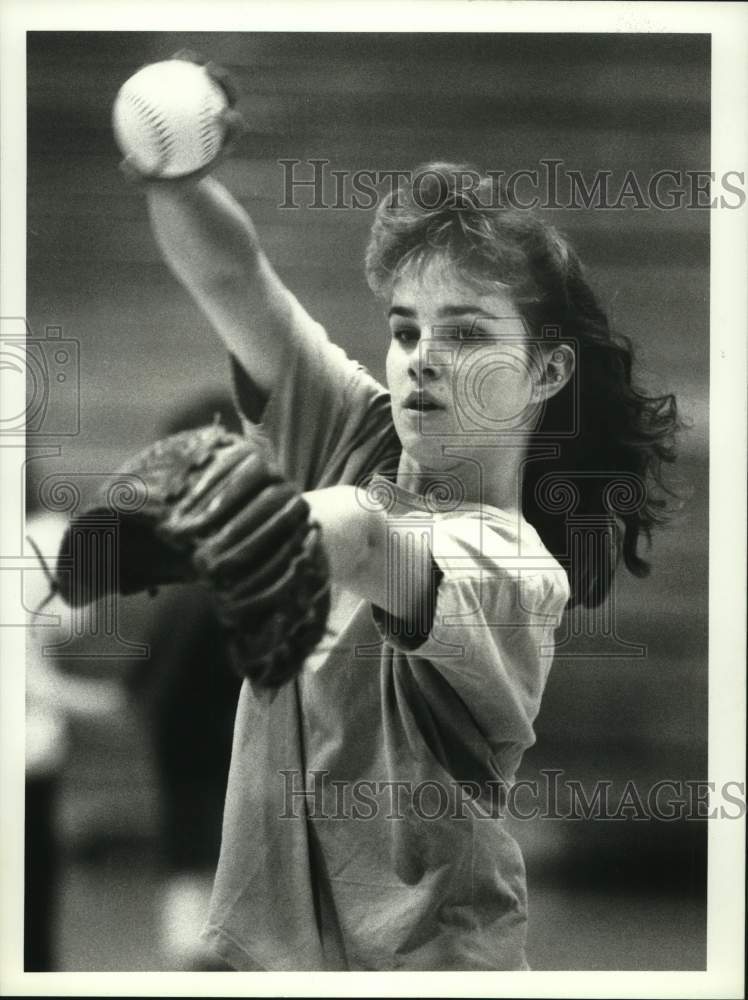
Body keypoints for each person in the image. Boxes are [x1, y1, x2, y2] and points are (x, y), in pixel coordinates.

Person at [129, 86, 680, 970]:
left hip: (428, 967)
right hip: (271, 963)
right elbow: (232, 277)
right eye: (406, 328)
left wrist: (270, 530)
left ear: (546, 372)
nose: (423, 354)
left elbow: (366, 540)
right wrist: (175, 174)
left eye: (464, 333)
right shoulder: (359, 432)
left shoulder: (515, 570)